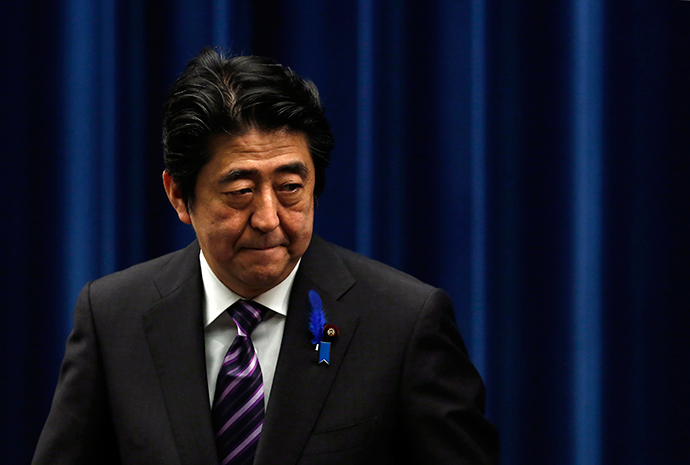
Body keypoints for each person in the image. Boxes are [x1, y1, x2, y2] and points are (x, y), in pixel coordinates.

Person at [33, 47, 499, 465]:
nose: (269, 218)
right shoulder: (114, 317)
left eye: (291, 188)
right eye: (240, 191)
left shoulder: (402, 322)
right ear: (178, 195)